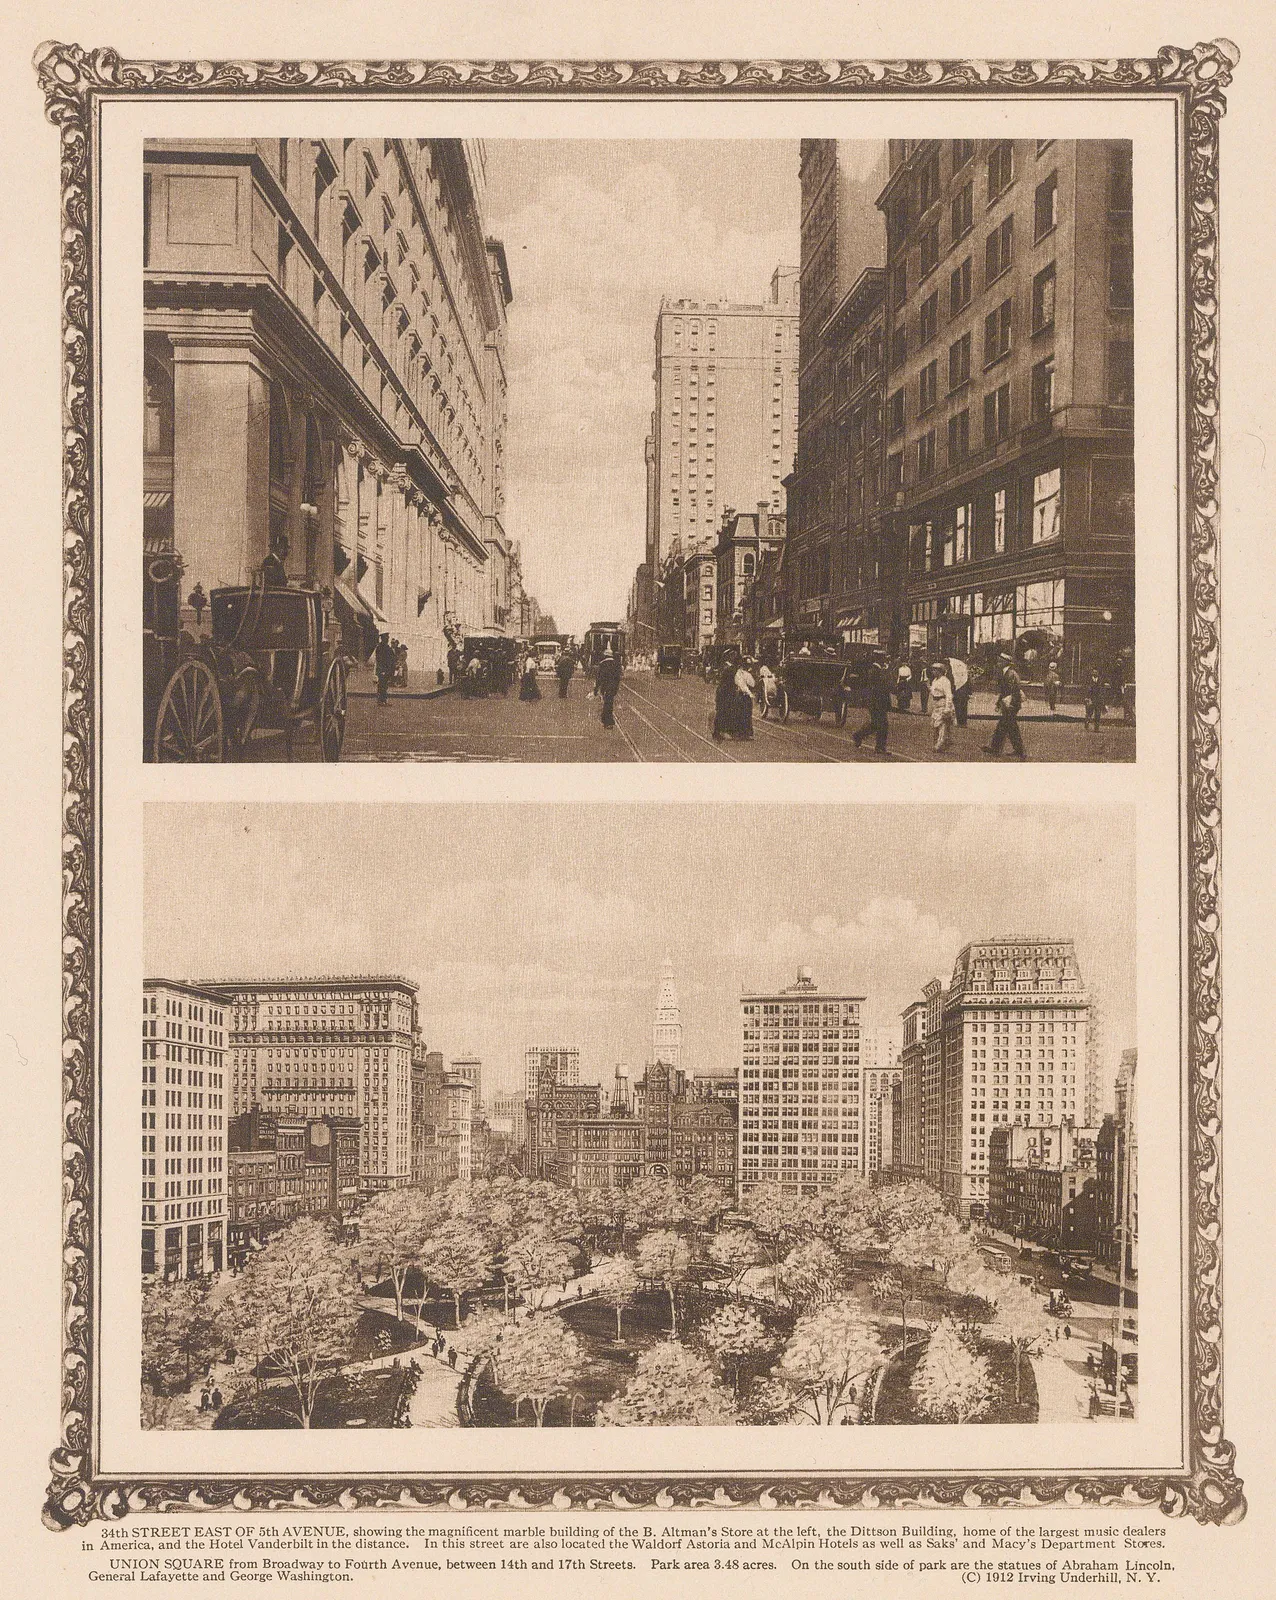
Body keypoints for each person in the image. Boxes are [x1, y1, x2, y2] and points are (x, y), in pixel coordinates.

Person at [984, 653, 1026, 758]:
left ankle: (999, 749)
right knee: (1008, 727)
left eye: (1000, 661)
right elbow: (1004, 692)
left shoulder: (1011, 673)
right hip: (1008, 703)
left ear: (1005, 662)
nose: (998, 663)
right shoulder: (1005, 672)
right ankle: (1001, 748)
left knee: (1007, 727)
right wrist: (999, 703)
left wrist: (1010, 704)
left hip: (1011, 704)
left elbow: (1014, 690)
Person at [852, 650, 892, 754]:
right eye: (883, 658)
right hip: (876, 701)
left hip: (880, 701)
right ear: (878, 658)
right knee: (883, 724)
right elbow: (876, 687)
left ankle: (858, 735)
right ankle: (880, 747)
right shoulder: (874, 670)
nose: (884, 660)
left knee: (876, 724)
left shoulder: (880, 670)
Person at [928, 661, 956, 754]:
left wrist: (947, 708)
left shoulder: (945, 681)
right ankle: (941, 742)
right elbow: (934, 691)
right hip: (936, 703)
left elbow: (948, 695)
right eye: (933, 670)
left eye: (935, 670)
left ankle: (940, 744)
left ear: (940, 671)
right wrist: (929, 687)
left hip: (943, 703)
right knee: (935, 724)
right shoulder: (935, 680)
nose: (933, 672)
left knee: (942, 725)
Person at [595, 644, 622, 729]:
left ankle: (607, 721)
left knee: (606, 703)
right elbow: (618, 677)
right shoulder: (616, 664)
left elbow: (599, 677)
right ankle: (608, 720)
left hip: (605, 686)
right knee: (609, 703)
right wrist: (616, 687)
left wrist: (596, 688)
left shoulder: (602, 664)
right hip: (613, 687)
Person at [948, 654, 971, 726]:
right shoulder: (964, 671)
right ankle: (963, 722)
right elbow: (968, 682)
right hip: (963, 692)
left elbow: (952, 682)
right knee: (963, 707)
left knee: (958, 707)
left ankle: (960, 722)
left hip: (958, 691)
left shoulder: (954, 673)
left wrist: (952, 690)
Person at [374, 631, 396, 706]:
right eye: (386, 638)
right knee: (381, 686)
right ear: (383, 638)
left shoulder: (386, 646)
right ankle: (380, 701)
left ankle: (384, 701)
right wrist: (382, 670)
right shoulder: (380, 647)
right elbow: (379, 660)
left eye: (388, 638)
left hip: (386, 670)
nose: (388, 639)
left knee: (384, 686)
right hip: (383, 670)